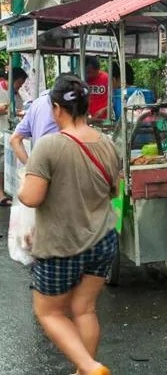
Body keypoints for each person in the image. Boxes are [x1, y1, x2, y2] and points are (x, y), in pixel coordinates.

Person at [18, 74, 119, 375]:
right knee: (84, 309)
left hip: (61, 244)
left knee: (49, 312)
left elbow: (32, 197)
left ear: (57, 109)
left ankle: (89, 366)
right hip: (102, 241)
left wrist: (23, 186)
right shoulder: (108, 144)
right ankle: (83, 371)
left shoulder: (48, 147)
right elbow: (114, 191)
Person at [0, 67, 29, 206]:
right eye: (19, 83)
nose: (20, 87)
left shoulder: (17, 96)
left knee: (6, 164)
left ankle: (5, 191)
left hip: (9, 133)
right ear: (13, 80)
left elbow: (18, 111)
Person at [9, 88, 59, 165]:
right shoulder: (64, 103)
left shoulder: (36, 103)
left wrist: (30, 168)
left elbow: (14, 139)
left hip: (41, 166)